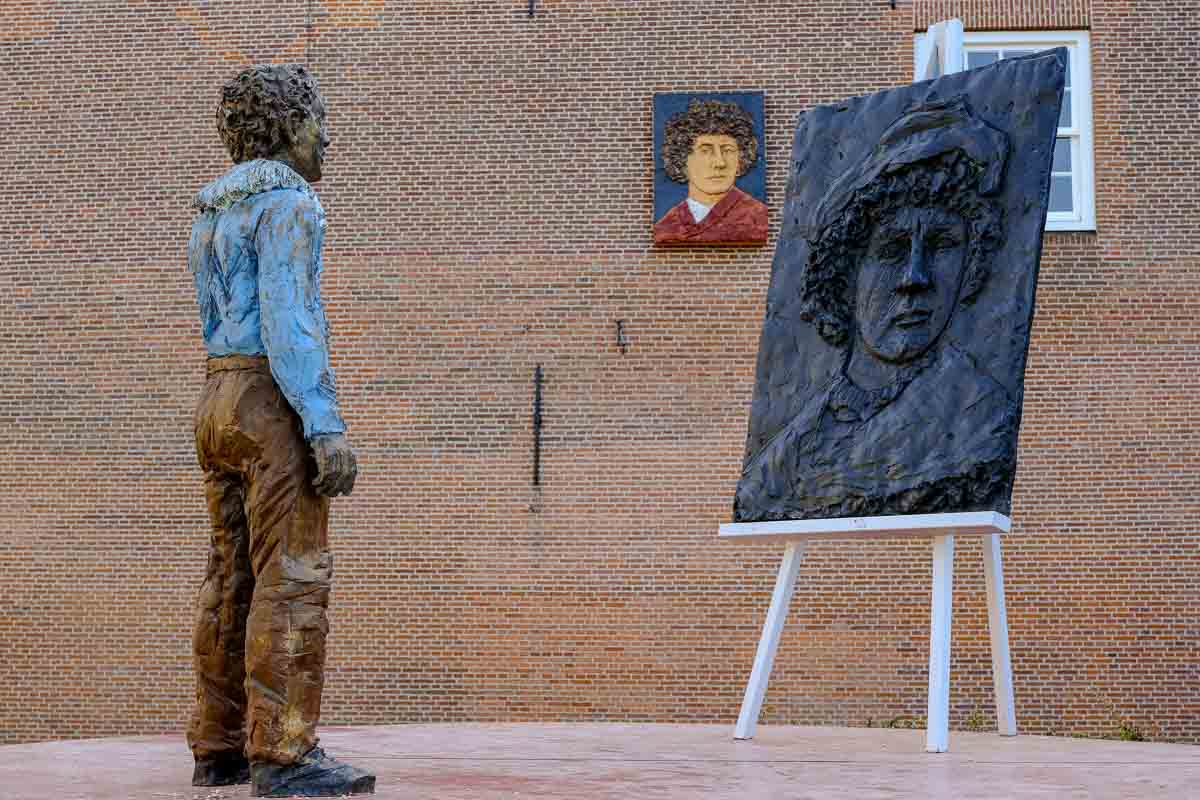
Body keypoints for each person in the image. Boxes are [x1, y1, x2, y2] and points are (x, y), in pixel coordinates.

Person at [187, 64, 373, 797]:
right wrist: (324, 424)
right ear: (289, 127)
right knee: (292, 577)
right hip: (271, 401)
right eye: (317, 119)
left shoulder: (210, 210)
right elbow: (289, 319)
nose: (326, 136)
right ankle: (286, 753)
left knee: (228, 578)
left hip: (216, 396)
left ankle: (218, 745)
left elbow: (215, 318)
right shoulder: (289, 202)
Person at [735, 97, 1017, 522]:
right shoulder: (782, 451)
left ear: (971, 264)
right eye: (891, 250)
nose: (914, 278)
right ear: (844, 272)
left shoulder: (981, 421)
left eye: (941, 246)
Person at [654, 98, 768, 245]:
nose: (720, 163)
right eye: (705, 151)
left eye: (728, 150)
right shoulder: (666, 226)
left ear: (741, 158)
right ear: (682, 159)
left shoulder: (757, 217)